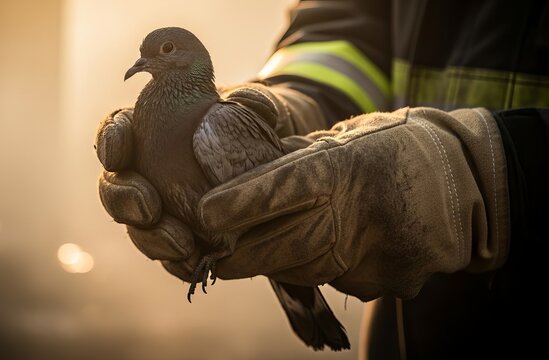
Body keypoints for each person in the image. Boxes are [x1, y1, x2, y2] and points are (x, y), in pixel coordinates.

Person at [95, 0, 548, 358]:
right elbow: (344, 30)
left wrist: (484, 174)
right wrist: (288, 105)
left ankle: (303, 301)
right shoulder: (183, 114)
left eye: (165, 52)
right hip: (410, 328)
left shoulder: (206, 118)